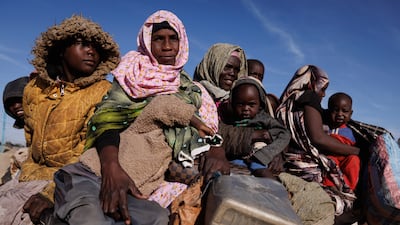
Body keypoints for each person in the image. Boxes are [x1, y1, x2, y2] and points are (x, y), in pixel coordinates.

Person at [53, 10, 229, 225]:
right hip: (102, 168)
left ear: (182, 42)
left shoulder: (191, 91)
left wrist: (217, 149)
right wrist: (111, 169)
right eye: (158, 39)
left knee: (158, 217)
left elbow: (209, 129)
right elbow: (106, 121)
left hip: (143, 182)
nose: (166, 46)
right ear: (146, 41)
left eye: (173, 38)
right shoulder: (130, 77)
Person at [0, 14, 120, 224]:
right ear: (61, 50)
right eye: (82, 44)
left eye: (96, 47)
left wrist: (51, 192)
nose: (91, 51)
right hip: (28, 176)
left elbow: (88, 155)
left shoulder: (102, 92)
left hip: (70, 181)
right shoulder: (34, 90)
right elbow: (32, 141)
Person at [276, 65, 360, 218]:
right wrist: (356, 151)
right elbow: (318, 138)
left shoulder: (289, 98)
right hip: (305, 165)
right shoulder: (310, 97)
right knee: (337, 206)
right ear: (311, 83)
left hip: (289, 159)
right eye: (322, 88)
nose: (323, 94)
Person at [218, 76, 290, 177]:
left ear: (260, 105)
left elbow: (284, 133)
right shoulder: (229, 119)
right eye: (240, 104)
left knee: (262, 172)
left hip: (258, 156)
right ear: (233, 104)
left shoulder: (263, 118)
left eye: (251, 105)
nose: (246, 109)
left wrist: (266, 154)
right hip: (236, 158)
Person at [323, 92, 360, 191]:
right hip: (330, 157)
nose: (340, 114)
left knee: (354, 160)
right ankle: (330, 185)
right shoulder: (325, 127)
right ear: (329, 111)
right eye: (335, 110)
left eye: (345, 111)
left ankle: (348, 188)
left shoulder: (351, 132)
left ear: (350, 113)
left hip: (344, 159)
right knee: (330, 160)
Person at [193, 43, 247, 108]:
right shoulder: (192, 93)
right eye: (227, 67)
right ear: (213, 67)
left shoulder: (239, 102)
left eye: (236, 70)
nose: (232, 73)